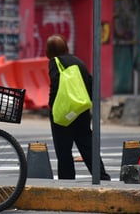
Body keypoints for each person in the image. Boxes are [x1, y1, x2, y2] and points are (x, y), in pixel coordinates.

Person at [46, 34, 111, 180]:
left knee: (63, 149)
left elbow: (55, 85)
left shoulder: (55, 62)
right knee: (87, 144)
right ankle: (102, 176)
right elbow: (90, 81)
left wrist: (51, 106)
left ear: (49, 51)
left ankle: (67, 179)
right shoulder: (78, 61)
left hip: (64, 112)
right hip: (81, 110)